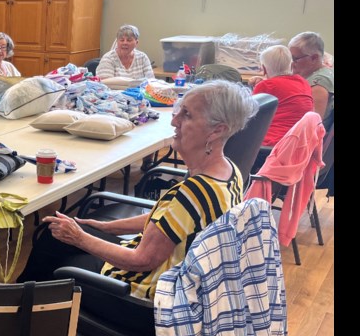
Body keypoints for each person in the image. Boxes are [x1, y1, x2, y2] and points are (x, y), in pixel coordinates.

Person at [17, 80, 258, 301]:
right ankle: (24, 300)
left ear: (217, 130)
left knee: (57, 247)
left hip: (141, 297)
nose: (174, 121)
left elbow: (142, 261)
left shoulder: (194, 192)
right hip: (173, 283)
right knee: (59, 234)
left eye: (187, 115)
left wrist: (79, 237)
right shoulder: (229, 172)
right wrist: (105, 226)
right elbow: (169, 219)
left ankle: (24, 310)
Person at [249, 31, 333, 123]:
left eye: (295, 58)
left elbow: (313, 124)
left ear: (314, 58)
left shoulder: (319, 85)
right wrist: (267, 82)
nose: (291, 63)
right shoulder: (315, 74)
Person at [252, 45, 313, 147]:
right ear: (292, 65)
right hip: (301, 142)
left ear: (264, 69)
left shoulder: (266, 86)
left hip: (272, 144)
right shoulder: (303, 82)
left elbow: (249, 114)